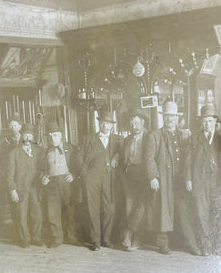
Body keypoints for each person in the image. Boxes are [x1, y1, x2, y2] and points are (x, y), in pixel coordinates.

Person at [145, 100, 198, 255]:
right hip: (164, 179)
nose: (170, 119)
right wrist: (153, 176)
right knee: (163, 210)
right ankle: (163, 244)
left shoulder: (185, 134)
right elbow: (149, 158)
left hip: (180, 179)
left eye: (173, 117)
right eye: (167, 116)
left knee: (183, 212)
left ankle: (190, 244)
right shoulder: (155, 135)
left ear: (177, 118)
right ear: (163, 117)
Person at [185, 105, 221, 256]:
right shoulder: (194, 139)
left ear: (215, 121)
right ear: (200, 122)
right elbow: (188, 161)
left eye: (210, 121)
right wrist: (188, 179)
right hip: (200, 182)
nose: (207, 124)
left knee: (220, 214)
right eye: (204, 121)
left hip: (217, 183)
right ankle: (206, 247)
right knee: (202, 214)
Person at [80, 112, 121, 251]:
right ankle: (95, 241)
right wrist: (84, 172)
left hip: (109, 177)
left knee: (110, 209)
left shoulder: (117, 140)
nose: (105, 125)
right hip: (91, 177)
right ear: (99, 123)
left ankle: (106, 238)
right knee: (93, 209)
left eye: (108, 123)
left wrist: (117, 156)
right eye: (103, 122)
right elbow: (79, 155)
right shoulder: (88, 138)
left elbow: (123, 151)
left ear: (111, 125)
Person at [41, 123, 79, 248]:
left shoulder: (71, 148)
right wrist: (43, 177)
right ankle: (57, 239)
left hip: (66, 182)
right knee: (53, 212)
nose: (53, 138)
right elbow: (40, 168)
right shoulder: (45, 151)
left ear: (61, 136)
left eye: (55, 135)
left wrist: (73, 175)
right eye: (50, 136)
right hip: (52, 183)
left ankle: (72, 237)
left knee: (70, 210)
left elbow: (78, 165)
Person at [6, 123, 44, 248]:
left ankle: (36, 238)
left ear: (33, 137)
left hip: (34, 188)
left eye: (30, 136)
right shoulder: (14, 153)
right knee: (21, 215)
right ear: (21, 136)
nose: (28, 138)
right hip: (20, 189)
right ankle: (25, 239)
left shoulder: (38, 151)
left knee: (36, 214)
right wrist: (12, 189)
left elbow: (42, 168)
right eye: (25, 135)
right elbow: (9, 175)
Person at [121, 111, 149, 251]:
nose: (134, 126)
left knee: (141, 206)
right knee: (129, 205)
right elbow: (122, 156)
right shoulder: (127, 139)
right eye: (132, 124)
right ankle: (132, 238)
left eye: (137, 123)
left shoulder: (150, 137)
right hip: (130, 175)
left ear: (143, 122)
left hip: (144, 175)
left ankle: (131, 233)